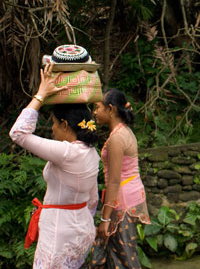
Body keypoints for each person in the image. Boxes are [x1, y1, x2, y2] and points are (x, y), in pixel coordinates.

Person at [9, 63, 100, 269]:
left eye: (53, 123)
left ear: (65, 125)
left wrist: (40, 95)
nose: (51, 128)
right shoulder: (91, 152)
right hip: (82, 229)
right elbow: (93, 199)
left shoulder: (66, 153)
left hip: (59, 233)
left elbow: (18, 133)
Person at [89, 88, 150, 269]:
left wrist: (105, 220)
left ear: (111, 109)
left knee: (124, 258)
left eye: (97, 107)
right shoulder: (124, 132)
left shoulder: (117, 138)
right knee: (106, 252)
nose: (94, 112)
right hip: (127, 197)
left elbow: (114, 181)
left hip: (121, 201)